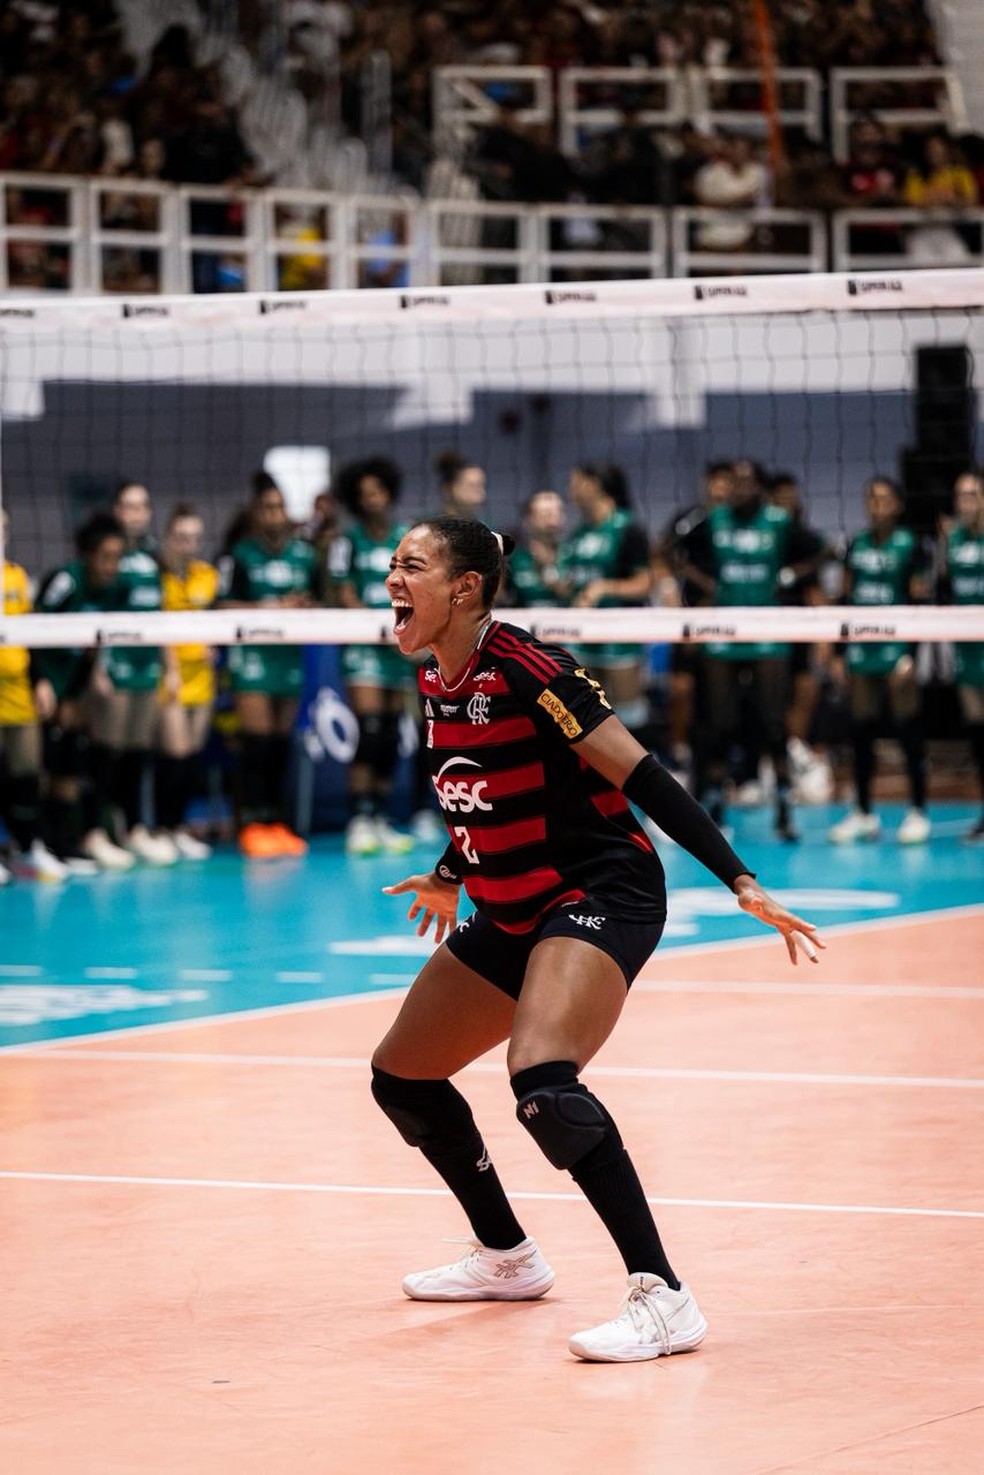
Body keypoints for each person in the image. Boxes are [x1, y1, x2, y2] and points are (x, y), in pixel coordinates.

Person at [371, 517, 822, 1363]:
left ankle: (665, 1297)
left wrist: (740, 877)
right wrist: (447, 868)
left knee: (542, 1079)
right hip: (513, 900)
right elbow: (489, 785)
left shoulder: (530, 666)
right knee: (402, 1076)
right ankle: (508, 1258)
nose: (393, 577)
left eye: (412, 565)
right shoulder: (436, 672)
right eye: (392, 563)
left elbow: (640, 772)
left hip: (598, 890)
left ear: (465, 587)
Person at [678, 459, 821, 840]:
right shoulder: (714, 520)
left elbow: (822, 549)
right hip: (724, 632)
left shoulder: (777, 520)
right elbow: (673, 550)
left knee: (773, 723)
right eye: (735, 482)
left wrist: (788, 576)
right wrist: (705, 587)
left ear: (760, 486)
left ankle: (785, 809)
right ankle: (716, 809)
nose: (739, 488)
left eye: (747, 482)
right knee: (719, 723)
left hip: (767, 632)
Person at [219, 474, 319, 858]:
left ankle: (276, 823)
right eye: (268, 508)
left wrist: (306, 605)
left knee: (280, 745)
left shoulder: (304, 554)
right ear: (256, 512)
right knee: (257, 744)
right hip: (253, 657)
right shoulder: (238, 556)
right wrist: (275, 607)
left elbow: (319, 598)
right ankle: (251, 824)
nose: (275, 514)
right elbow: (222, 604)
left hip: (288, 657)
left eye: (280, 507)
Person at [829, 477, 933, 845]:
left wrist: (910, 654)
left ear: (898, 504)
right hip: (861, 646)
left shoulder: (913, 545)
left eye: (885, 499)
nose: (877, 505)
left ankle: (918, 811)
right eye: (871, 498)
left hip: (897, 646)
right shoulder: (854, 544)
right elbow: (843, 597)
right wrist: (839, 653)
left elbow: (920, 602)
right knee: (861, 733)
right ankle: (862, 813)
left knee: (908, 730)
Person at [329, 457, 415, 856]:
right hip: (365, 644)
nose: (372, 500)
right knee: (371, 727)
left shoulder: (407, 538)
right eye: (365, 495)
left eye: (377, 492)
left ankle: (379, 816)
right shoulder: (348, 540)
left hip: (399, 644)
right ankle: (359, 818)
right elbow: (340, 589)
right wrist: (371, 622)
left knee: (393, 732)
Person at [34, 512, 130, 872]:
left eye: (118, 558)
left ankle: (64, 844)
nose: (112, 566)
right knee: (38, 765)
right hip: (42, 683)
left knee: (71, 760)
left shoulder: (110, 590)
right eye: (106, 557)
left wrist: (75, 695)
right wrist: (42, 683)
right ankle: (36, 844)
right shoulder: (65, 582)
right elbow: (27, 634)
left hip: (71, 686)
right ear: (88, 554)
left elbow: (93, 646)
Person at [89, 480, 178, 866]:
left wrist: (170, 666)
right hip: (115, 665)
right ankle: (99, 830)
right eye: (128, 506)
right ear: (116, 510)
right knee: (109, 751)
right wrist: (97, 668)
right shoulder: (107, 556)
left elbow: (160, 614)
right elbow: (93, 612)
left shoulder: (153, 556)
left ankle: (133, 829)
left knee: (138, 752)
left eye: (142, 506)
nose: (135, 513)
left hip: (147, 666)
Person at [0, 510, 68, 884]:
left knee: (27, 772)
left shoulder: (16, 575)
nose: (1, 534)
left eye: (5, 528)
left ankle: (29, 848)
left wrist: (40, 679)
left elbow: (29, 630)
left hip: (16, 688)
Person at [157, 503, 220, 860]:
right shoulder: (158, 576)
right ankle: (162, 828)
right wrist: (171, 671)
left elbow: (215, 617)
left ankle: (178, 828)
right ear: (169, 537)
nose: (188, 543)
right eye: (181, 536)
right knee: (176, 753)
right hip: (173, 675)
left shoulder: (207, 575)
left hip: (203, 674)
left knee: (193, 756)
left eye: (194, 537)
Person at [941, 471, 984, 841]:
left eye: (971, 494)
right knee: (977, 733)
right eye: (960, 495)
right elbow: (942, 585)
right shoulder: (953, 538)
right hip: (967, 648)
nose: (964, 502)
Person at [507, 489, 566, 607]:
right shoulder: (516, 559)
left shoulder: (573, 555)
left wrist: (547, 568)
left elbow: (570, 594)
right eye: (546, 514)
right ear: (529, 519)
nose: (552, 521)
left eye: (557, 513)